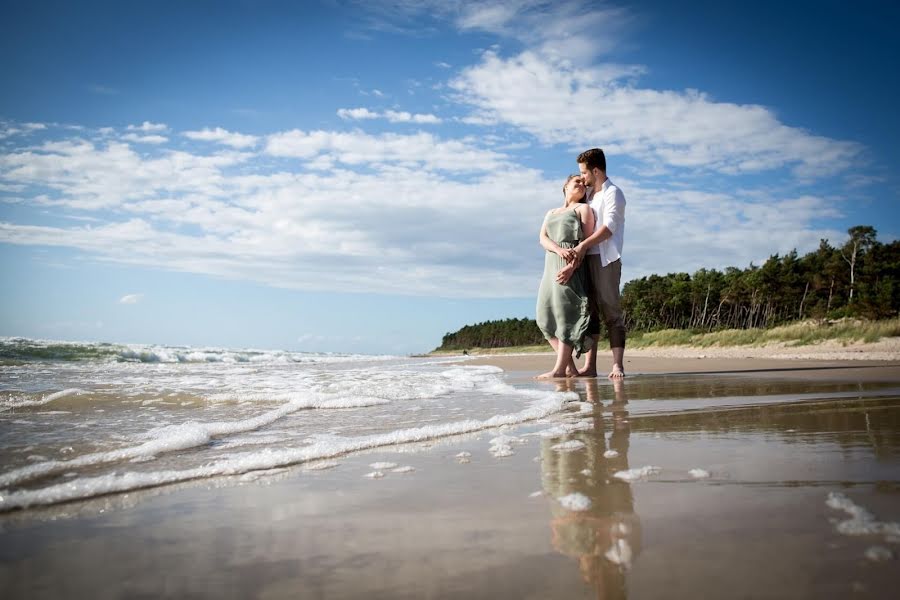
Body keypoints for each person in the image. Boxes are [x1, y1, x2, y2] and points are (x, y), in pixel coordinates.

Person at [558, 148, 627, 379]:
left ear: (595, 171)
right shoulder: (588, 194)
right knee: (591, 313)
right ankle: (591, 366)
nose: (582, 178)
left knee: (611, 312)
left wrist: (583, 246)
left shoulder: (613, 194)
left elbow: (609, 228)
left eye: (584, 173)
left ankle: (617, 365)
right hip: (585, 259)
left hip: (605, 259)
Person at [535, 175, 595, 379]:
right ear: (565, 186)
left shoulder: (583, 209)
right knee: (544, 317)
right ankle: (570, 368)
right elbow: (542, 238)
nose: (581, 185)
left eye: (583, 184)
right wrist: (558, 250)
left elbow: (585, 244)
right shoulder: (551, 212)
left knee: (566, 315)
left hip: (571, 265)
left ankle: (560, 369)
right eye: (576, 181)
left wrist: (571, 266)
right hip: (551, 263)